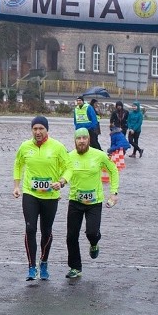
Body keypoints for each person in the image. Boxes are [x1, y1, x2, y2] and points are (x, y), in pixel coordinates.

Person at [12, 115, 72, 281]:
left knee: (46, 231)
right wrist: (16, 186)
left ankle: (43, 261)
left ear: (47, 130)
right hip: (30, 193)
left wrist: (62, 181)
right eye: (35, 129)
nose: (37, 132)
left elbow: (69, 167)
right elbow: (18, 164)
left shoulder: (57, 147)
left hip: (50, 196)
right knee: (30, 228)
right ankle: (31, 266)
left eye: (41, 129)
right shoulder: (25, 146)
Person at [65, 128, 120, 279]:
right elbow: (61, 174)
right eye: (78, 138)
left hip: (94, 202)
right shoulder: (69, 157)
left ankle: (94, 243)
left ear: (89, 139)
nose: (81, 141)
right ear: (74, 141)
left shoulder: (99, 155)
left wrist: (114, 193)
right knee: (71, 236)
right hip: (75, 201)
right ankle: (75, 267)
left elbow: (113, 170)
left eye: (84, 138)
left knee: (91, 232)